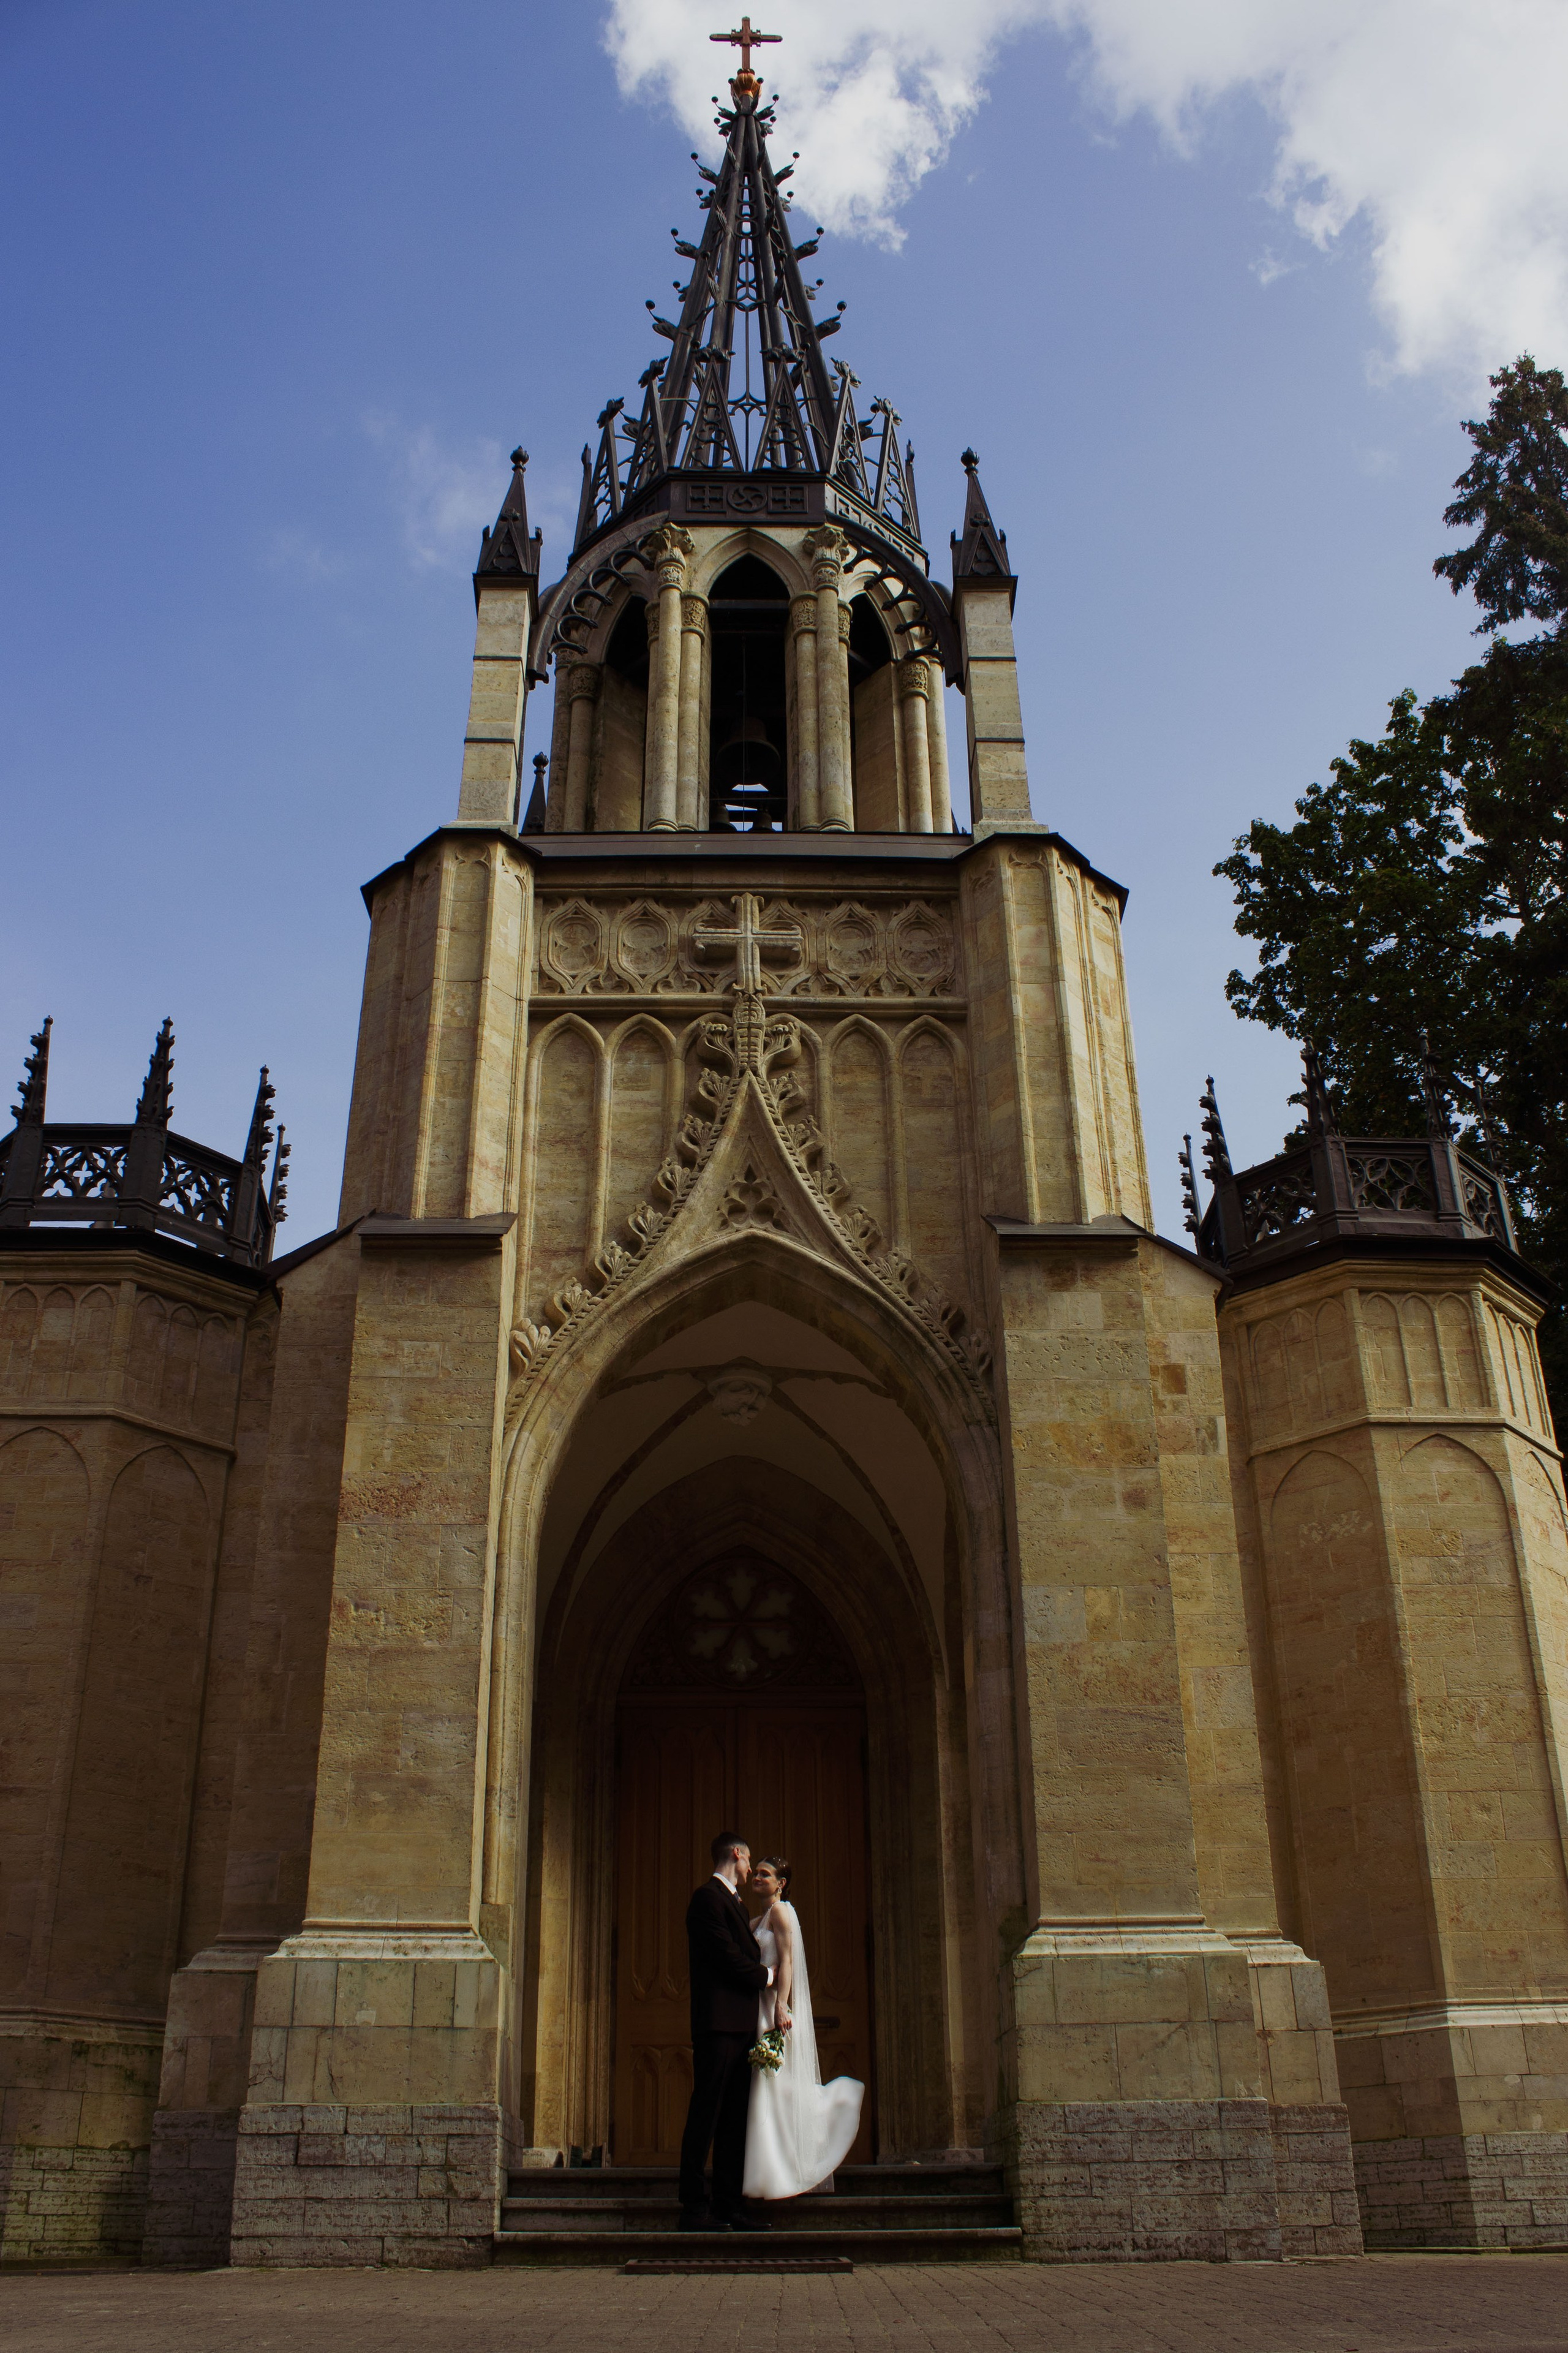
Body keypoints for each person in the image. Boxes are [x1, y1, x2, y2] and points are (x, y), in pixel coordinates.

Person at [743, 1856, 864, 2199]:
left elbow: (787, 1960)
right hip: (758, 2005)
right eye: (756, 1873)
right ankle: (771, 2167)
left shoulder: (781, 1913)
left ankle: (796, 2159)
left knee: (778, 2086)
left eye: (765, 1875)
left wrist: (782, 2005)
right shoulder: (761, 1917)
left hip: (772, 2008)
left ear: (781, 1883)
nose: (757, 1878)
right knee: (769, 2091)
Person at [677, 1830, 772, 2231]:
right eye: (749, 1861)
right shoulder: (706, 1899)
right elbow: (728, 1957)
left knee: (735, 2119)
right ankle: (694, 2208)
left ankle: (729, 2204)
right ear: (737, 1854)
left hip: (742, 2026)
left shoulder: (734, 1902)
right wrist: (768, 1975)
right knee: (708, 2114)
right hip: (717, 2026)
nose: (750, 1869)